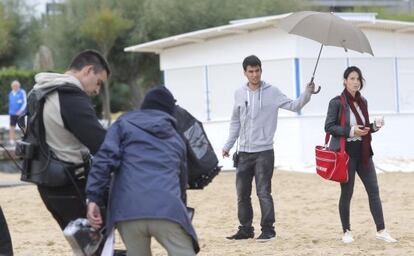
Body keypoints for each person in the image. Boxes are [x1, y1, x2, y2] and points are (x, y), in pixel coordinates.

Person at [86, 86, 199, 256]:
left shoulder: (122, 124)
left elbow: (103, 160)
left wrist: (93, 197)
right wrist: (180, 208)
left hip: (128, 211)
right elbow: (181, 179)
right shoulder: (176, 136)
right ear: (169, 110)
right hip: (167, 209)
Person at [222, 55, 315, 241]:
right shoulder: (239, 93)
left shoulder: (272, 92)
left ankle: (268, 231)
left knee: (263, 192)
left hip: (264, 152)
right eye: (251, 71)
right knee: (242, 195)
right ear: (245, 73)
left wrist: (307, 93)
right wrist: (228, 145)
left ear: (261, 71)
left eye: (257, 71)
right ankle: (245, 229)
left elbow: (294, 105)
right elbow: (235, 121)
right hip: (244, 153)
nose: (254, 74)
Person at [34, 50, 109, 235]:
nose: (97, 90)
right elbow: (101, 144)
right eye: (98, 82)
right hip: (71, 182)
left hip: (45, 182)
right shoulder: (70, 96)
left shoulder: (41, 90)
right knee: (97, 243)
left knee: (81, 243)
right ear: (88, 70)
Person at [324, 66, 397, 244]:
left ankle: (381, 230)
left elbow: (363, 128)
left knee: (374, 191)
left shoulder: (363, 101)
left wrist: (373, 127)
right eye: (352, 78)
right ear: (345, 81)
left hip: (364, 153)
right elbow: (329, 127)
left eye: (358, 79)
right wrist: (351, 131)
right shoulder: (337, 102)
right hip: (345, 154)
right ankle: (346, 231)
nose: (356, 82)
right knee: (347, 193)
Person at [8, 80, 26, 146]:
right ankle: (11, 139)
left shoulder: (22, 92)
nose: (14, 87)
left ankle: (25, 138)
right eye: (13, 86)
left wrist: (21, 110)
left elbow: (25, 102)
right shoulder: (10, 93)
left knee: (22, 126)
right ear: (12, 86)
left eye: (16, 86)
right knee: (12, 126)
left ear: (19, 86)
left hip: (20, 113)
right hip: (12, 113)